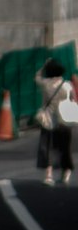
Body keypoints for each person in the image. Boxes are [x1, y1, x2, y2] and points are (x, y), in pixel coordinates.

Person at [39, 56, 78, 187]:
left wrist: (44, 65)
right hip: (65, 121)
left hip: (49, 121)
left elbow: (36, 77)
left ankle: (49, 175)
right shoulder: (67, 85)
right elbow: (73, 100)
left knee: (47, 147)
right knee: (65, 148)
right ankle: (66, 172)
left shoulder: (45, 84)